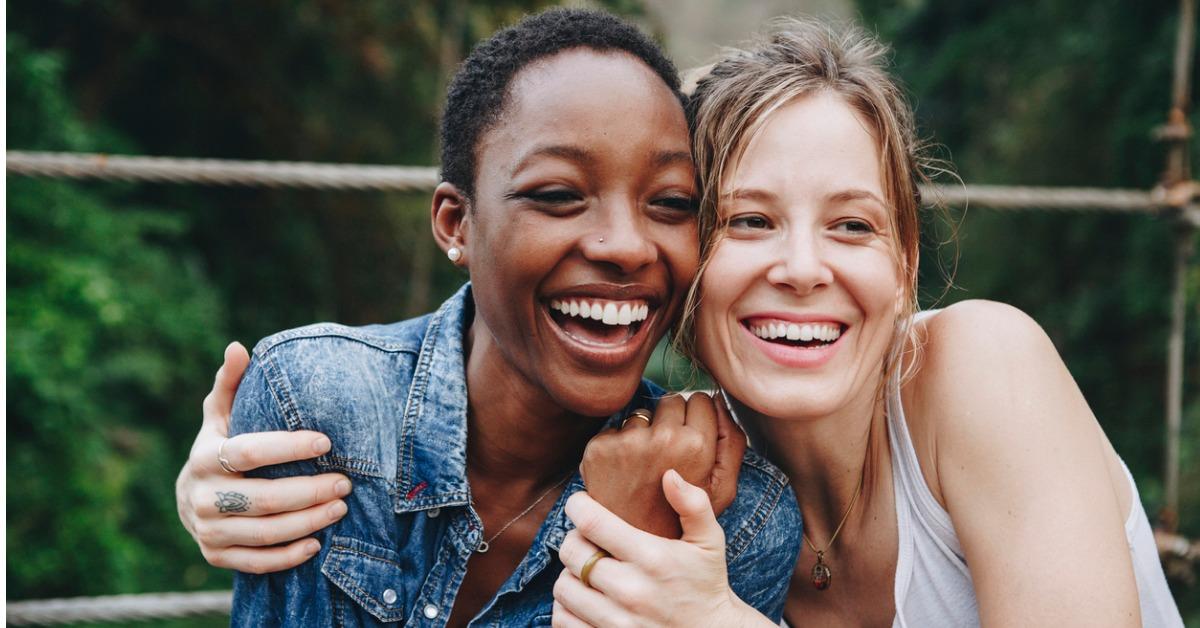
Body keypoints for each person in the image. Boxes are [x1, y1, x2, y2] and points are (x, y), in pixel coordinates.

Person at [176, 8, 802, 627]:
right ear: (457, 224)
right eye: (558, 195)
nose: (626, 246)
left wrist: (636, 546)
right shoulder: (319, 406)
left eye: (671, 202)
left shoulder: (730, 518)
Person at [551, 18, 1184, 628]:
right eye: (748, 220)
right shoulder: (697, 476)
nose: (803, 269)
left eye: (852, 226)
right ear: (683, 263)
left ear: (906, 265)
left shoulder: (985, 364)